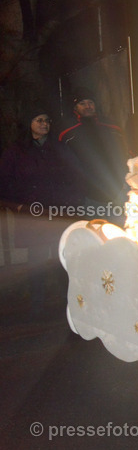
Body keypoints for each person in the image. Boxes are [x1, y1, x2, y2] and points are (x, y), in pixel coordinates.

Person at [0, 105, 81, 317]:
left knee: (61, 257)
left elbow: (73, 176)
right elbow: (5, 182)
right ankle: (37, 306)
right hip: (32, 213)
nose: (45, 124)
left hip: (57, 212)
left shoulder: (59, 148)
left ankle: (68, 303)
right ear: (29, 124)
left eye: (47, 120)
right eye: (39, 120)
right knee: (36, 261)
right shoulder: (16, 152)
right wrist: (16, 206)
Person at [59, 87, 131, 210]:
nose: (88, 106)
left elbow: (125, 155)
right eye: (82, 103)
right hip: (87, 197)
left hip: (118, 191)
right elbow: (65, 166)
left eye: (90, 103)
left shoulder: (112, 128)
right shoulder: (68, 134)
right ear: (75, 108)